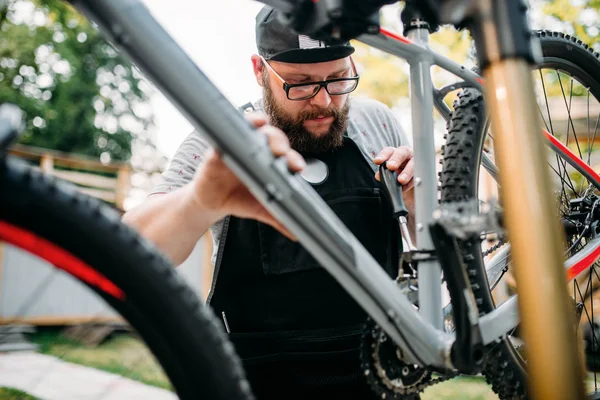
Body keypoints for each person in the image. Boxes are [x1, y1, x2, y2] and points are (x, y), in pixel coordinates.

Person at [123, 5, 416, 400]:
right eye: (300, 84)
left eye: (338, 79)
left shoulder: (376, 123)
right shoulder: (218, 141)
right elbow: (132, 250)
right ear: (260, 71)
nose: (325, 102)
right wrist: (199, 201)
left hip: (382, 377)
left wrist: (417, 202)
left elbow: (425, 243)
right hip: (262, 382)